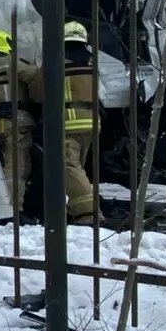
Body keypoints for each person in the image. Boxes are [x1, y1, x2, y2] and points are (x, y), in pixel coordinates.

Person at [53, 19, 99, 221]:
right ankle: (74, 207)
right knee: (78, 167)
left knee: (69, 167)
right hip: (91, 122)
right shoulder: (92, 63)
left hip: (70, 122)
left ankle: (88, 212)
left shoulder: (57, 62)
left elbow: (39, 90)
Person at [0, 30, 31, 216]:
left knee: (1, 167)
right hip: (16, 122)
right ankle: (12, 210)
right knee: (17, 166)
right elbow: (36, 77)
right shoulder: (12, 62)